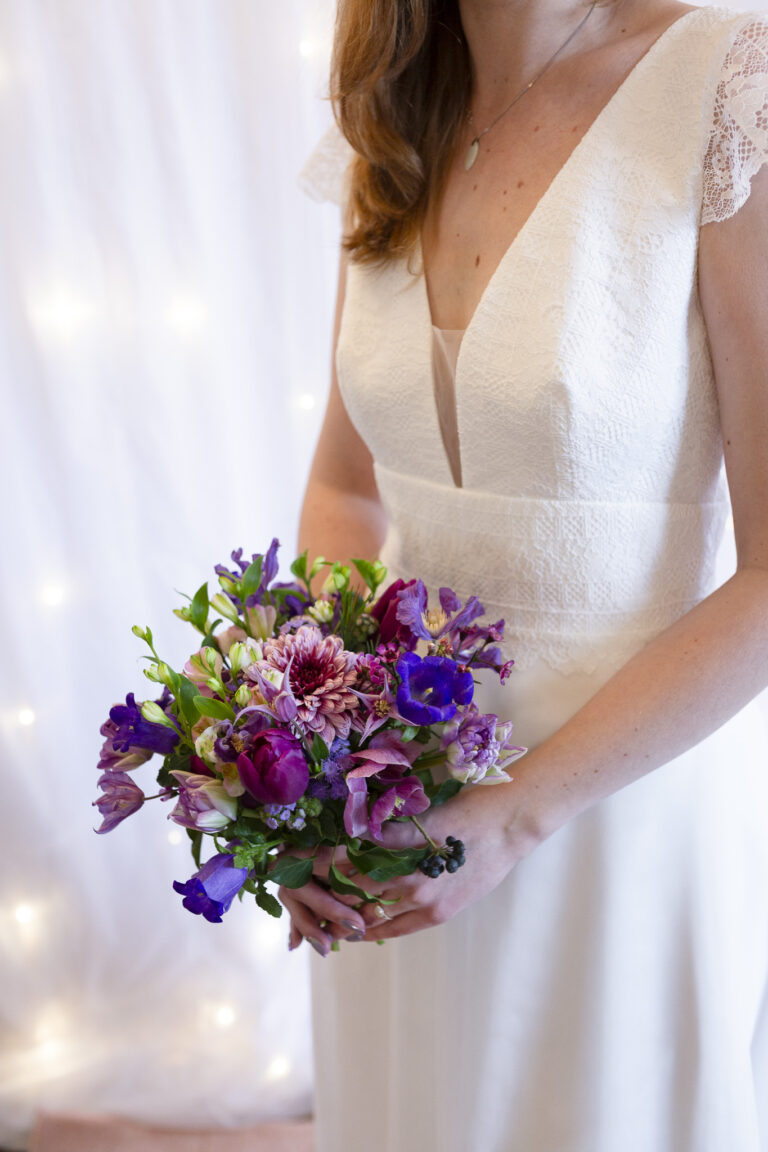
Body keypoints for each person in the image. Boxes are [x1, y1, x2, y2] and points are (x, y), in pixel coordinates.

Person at [283, 0, 768, 1148]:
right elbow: (347, 487)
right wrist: (314, 756)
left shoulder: (724, 86)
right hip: (395, 818)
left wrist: (514, 818)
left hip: (612, 806)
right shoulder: (394, 103)